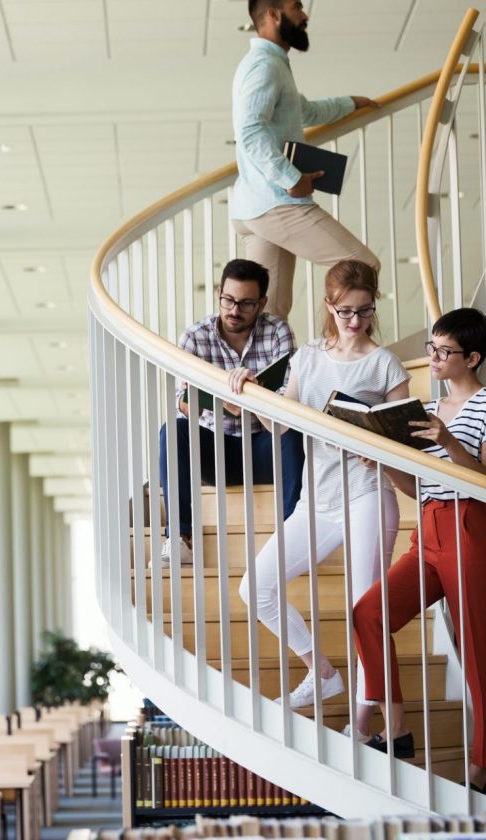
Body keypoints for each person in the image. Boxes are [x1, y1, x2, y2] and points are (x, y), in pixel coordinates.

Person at [236, 260, 409, 737]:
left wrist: (382, 446)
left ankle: (362, 724)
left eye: (365, 311)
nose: (355, 321)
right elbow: (280, 424)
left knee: (364, 614)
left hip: (367, 494)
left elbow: (406, 434)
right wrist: (251, 393)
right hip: (317, 500)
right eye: (346, 311)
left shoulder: (384, 363)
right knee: (256, 587)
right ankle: (323, 673)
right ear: (329, 306)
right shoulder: (308, 356)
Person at [354, 308, 486, 780]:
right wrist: (386, 462)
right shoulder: (426, 410)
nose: (433, 357)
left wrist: (448, 442)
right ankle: (398, 729)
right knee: (369, 613)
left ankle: (480, 769)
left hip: (469, 525)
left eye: (444, 351)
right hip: (427, 529)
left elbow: (483, 479)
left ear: (472, 358)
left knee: (478, 655)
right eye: (432, 347)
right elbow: (419, 486)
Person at [231, 0, 380, 320]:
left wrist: (350, 103)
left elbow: (305, 111)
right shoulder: (265, 66)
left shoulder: (271, 63)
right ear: (273, 15)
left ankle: (272, 360)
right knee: (362, 268)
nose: (304, 15)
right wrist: (291, 178)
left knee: (269, 314)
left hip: (255, 206)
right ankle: (338, 346)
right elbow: (250, 131)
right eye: (297, 7)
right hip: (276, 202)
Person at [158, 258, 304, 565]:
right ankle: (180, 538)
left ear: (262, 303)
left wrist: (253, 396)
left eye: (246, 303)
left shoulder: (277, 332)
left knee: (294, 432)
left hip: (264, 446)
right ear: (219, 294)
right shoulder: (195, 337)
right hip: (217, 451)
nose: (234, 310)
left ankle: (292, 537)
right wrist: (215, 395)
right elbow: (182, 406)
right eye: (228, 300)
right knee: (173, 431)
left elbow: (287, 404)